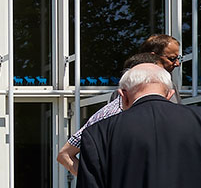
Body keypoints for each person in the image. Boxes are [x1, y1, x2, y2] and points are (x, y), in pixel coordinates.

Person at [57, 44, 171, 174]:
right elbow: (64, 154)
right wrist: (98, 185)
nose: (163, 79)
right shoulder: (111, 113)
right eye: (158, 74)